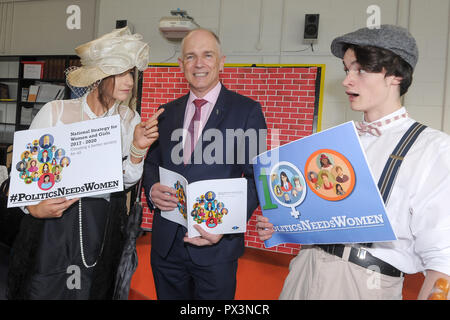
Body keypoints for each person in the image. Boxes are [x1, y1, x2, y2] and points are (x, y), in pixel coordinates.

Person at [256, 24, 450, 299]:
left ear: (395, 74)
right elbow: (321, 217)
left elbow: (443, 261)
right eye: (347, 70)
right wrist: (284, 225)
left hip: (364, 283)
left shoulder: (432, 148)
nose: (347, 80)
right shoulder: (335, 142)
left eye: (359, 69)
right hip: (303, 270)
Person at [7, 27, 163, 300]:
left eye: (132, 73)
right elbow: (24, 173)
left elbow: (124, 182)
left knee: (89, 290)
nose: (129, 81)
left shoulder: (130, 120)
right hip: (51, 225)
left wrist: (137, 149)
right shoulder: (55, 113)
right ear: (99, 76)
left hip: (99, 226)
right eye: (120, 73)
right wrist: (33, 207)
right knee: (43, 290)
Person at [143, 28, 267, 300]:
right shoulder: (166, 113)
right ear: (181, 64)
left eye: (207, 55)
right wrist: (152, 189)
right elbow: (151, 163)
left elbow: (256, 177)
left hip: (216, 248)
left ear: (221, 61)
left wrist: (224, 224)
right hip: (166, 247)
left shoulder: (247, 111)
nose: (199, 64)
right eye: (190, 56)